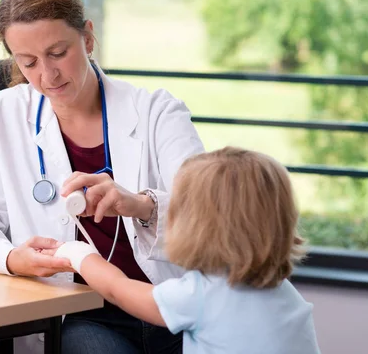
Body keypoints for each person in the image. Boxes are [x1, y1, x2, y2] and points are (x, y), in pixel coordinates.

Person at [0, 0, 205, 354]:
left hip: (173, 305)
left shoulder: (158, 112)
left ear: (88, 37)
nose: (47, 75)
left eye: (58, 53)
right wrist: (12, 258)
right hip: (83, 314)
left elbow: (212, 215)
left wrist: (143, 204)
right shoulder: (0, 116)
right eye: (28, 62)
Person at [55, 147, 321, 354]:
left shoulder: (202, 295)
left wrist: (77, 254)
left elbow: (118, 289)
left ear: (199, 225)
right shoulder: (284, 292)